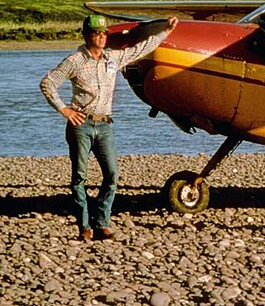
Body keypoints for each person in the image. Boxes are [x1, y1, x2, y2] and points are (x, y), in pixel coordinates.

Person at [40, 14, 179, 242]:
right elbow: (48, 83)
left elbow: (141, 49)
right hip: (80, 125)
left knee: (112, 175)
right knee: (79, 177)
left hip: (105, 124)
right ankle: (84, 226)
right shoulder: (75, 61)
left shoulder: (113, 58)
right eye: (96, 33)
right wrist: (64, 109)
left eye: (104, 33)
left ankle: (102, 223)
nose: (102, 37)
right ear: (86, 35)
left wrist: (166, 31)